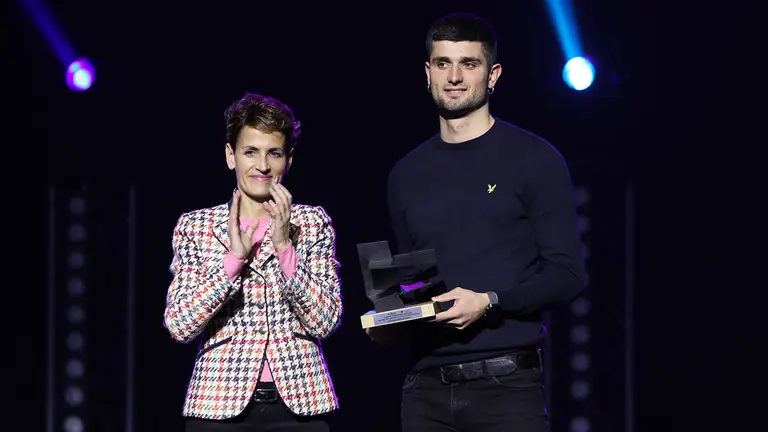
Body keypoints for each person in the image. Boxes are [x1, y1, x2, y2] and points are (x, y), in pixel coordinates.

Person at [367, 12, 586, 432]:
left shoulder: (534, 160)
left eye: (469, 64)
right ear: (427, 72)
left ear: (493, 74)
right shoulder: (406, 174)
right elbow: (412, 282)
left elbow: (567, 273)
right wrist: (389, 321)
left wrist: (490, 301)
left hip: (506, 387)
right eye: (443, 63)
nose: (454, 77)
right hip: (423, 391)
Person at [164, 92, 342, 431]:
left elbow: (326, 322)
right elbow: (179, 324)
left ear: (288, 159)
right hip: (218, 402)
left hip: (300, 403)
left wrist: (285, 246)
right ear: (231, 156)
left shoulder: (312, 223)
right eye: (250, 152)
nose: (262, 165)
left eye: (273, 153)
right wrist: (233, 259)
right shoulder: (196, 227)